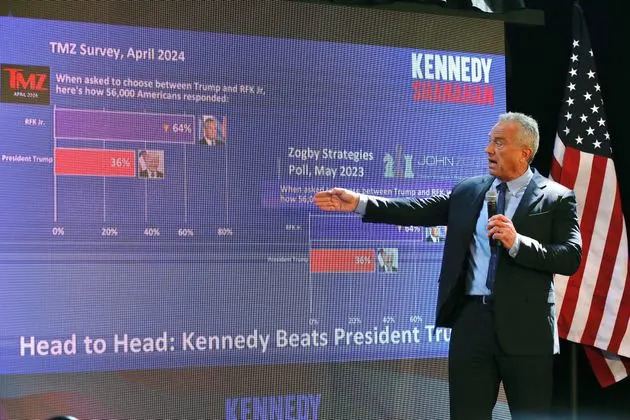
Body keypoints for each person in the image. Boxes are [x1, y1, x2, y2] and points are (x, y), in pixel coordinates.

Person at [313, 112, 582, 420]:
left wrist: (518, 242)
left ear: (524, 152)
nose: (488, 150)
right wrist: (360, 202)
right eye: (489, 141)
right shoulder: (469, 191)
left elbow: (570, 256)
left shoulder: (557, 198)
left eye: (498, 143)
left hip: (528, 330)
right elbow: (417, 210)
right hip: (471, 323)